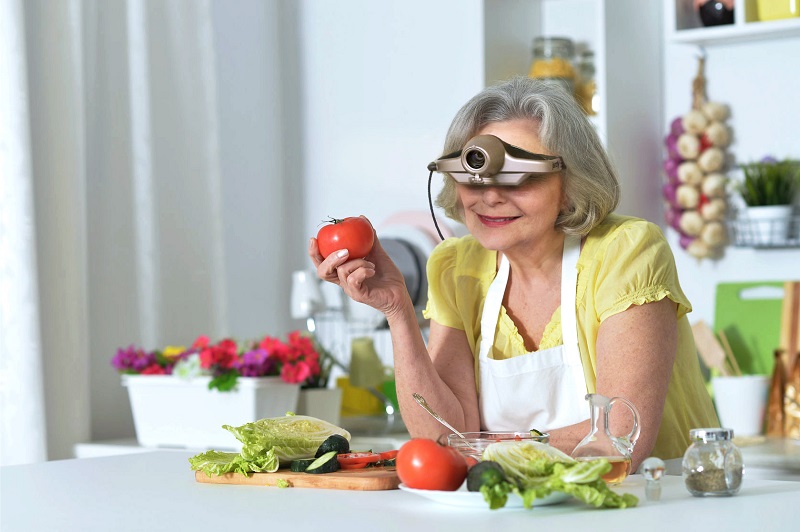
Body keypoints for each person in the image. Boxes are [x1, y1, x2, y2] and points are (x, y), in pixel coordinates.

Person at [309, 76, 718, 470]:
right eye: (474, 176)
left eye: (517, 176)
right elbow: (443, 435)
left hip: (652, 502)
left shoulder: (627, 251)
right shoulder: (456, 266)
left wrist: (483, 447)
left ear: (571, 183)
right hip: (517, 504)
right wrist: (397, 310)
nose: (490, 196)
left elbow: (619, 438)